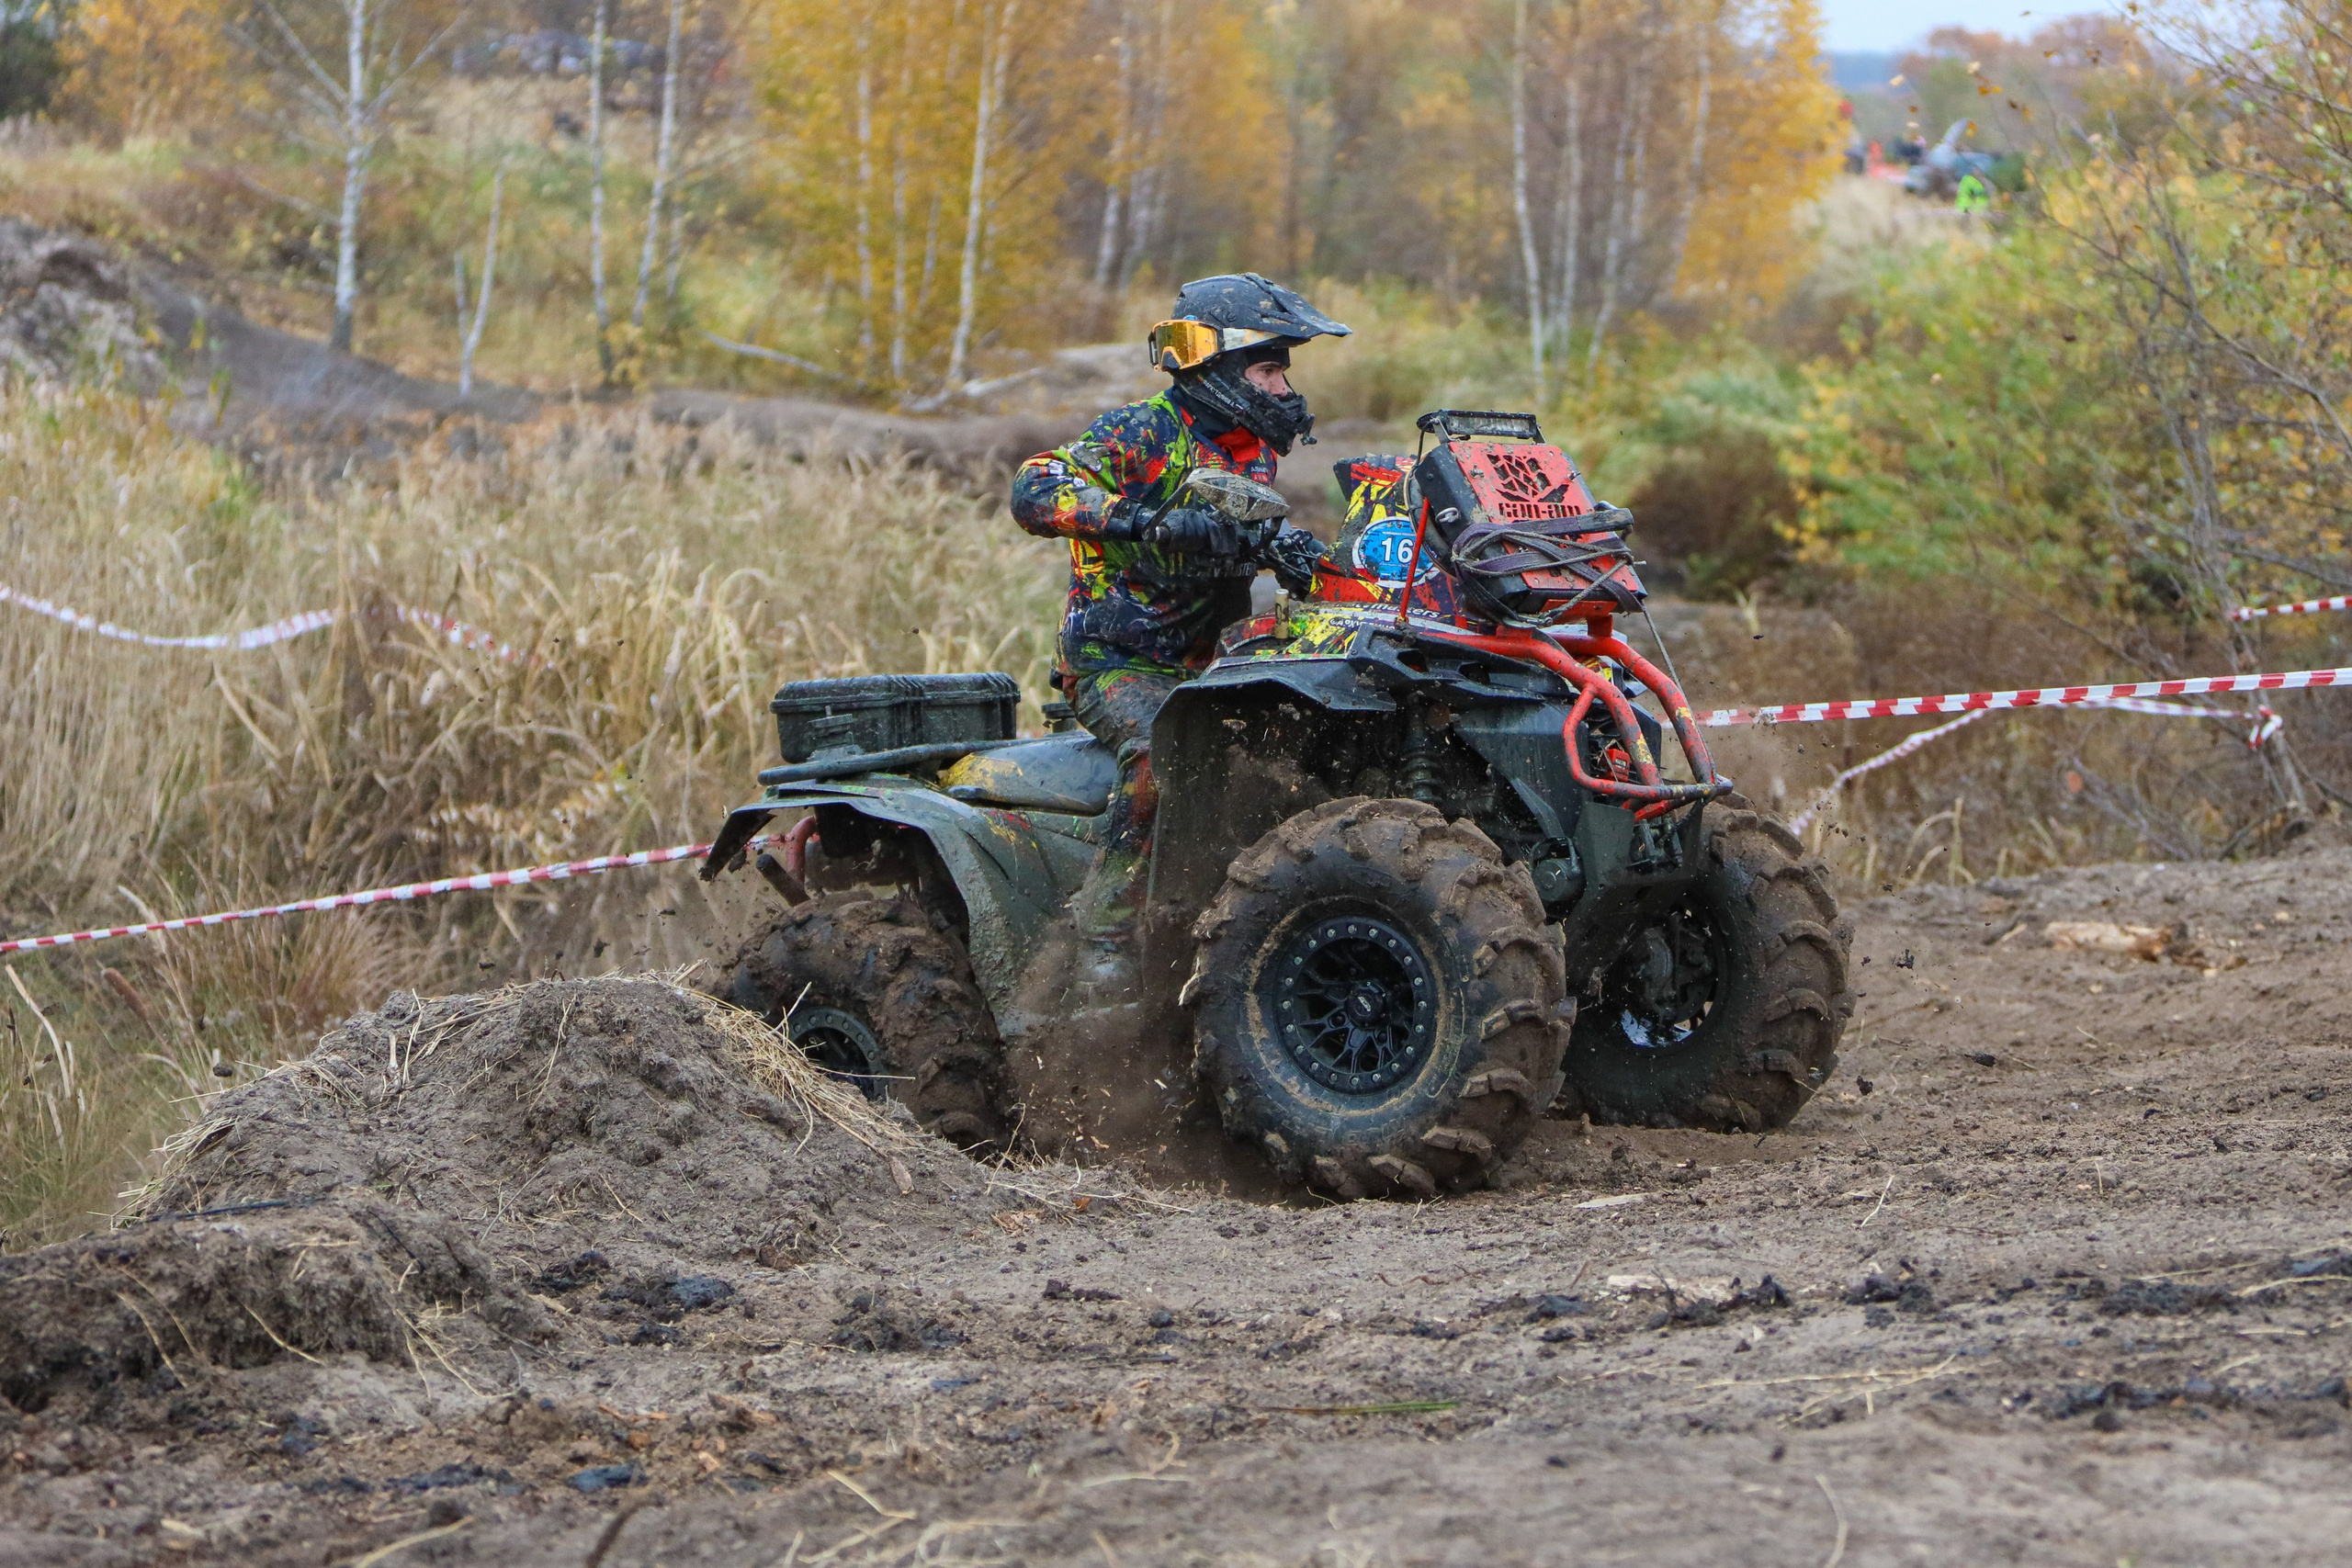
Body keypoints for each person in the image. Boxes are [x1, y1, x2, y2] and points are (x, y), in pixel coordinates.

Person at [1009, 273, 1348, 988]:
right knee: (1161, 756)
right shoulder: (1141, 432)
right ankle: (1102, 942)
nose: (1284, 388)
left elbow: (1243, 530)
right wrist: (1145, 519)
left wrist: (1284, 550)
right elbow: (1034, 487)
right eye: (1268, 368)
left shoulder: (1253, 450)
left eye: (1285, 370)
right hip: (1117, 665)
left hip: (1214, 668)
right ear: (1216, 365)